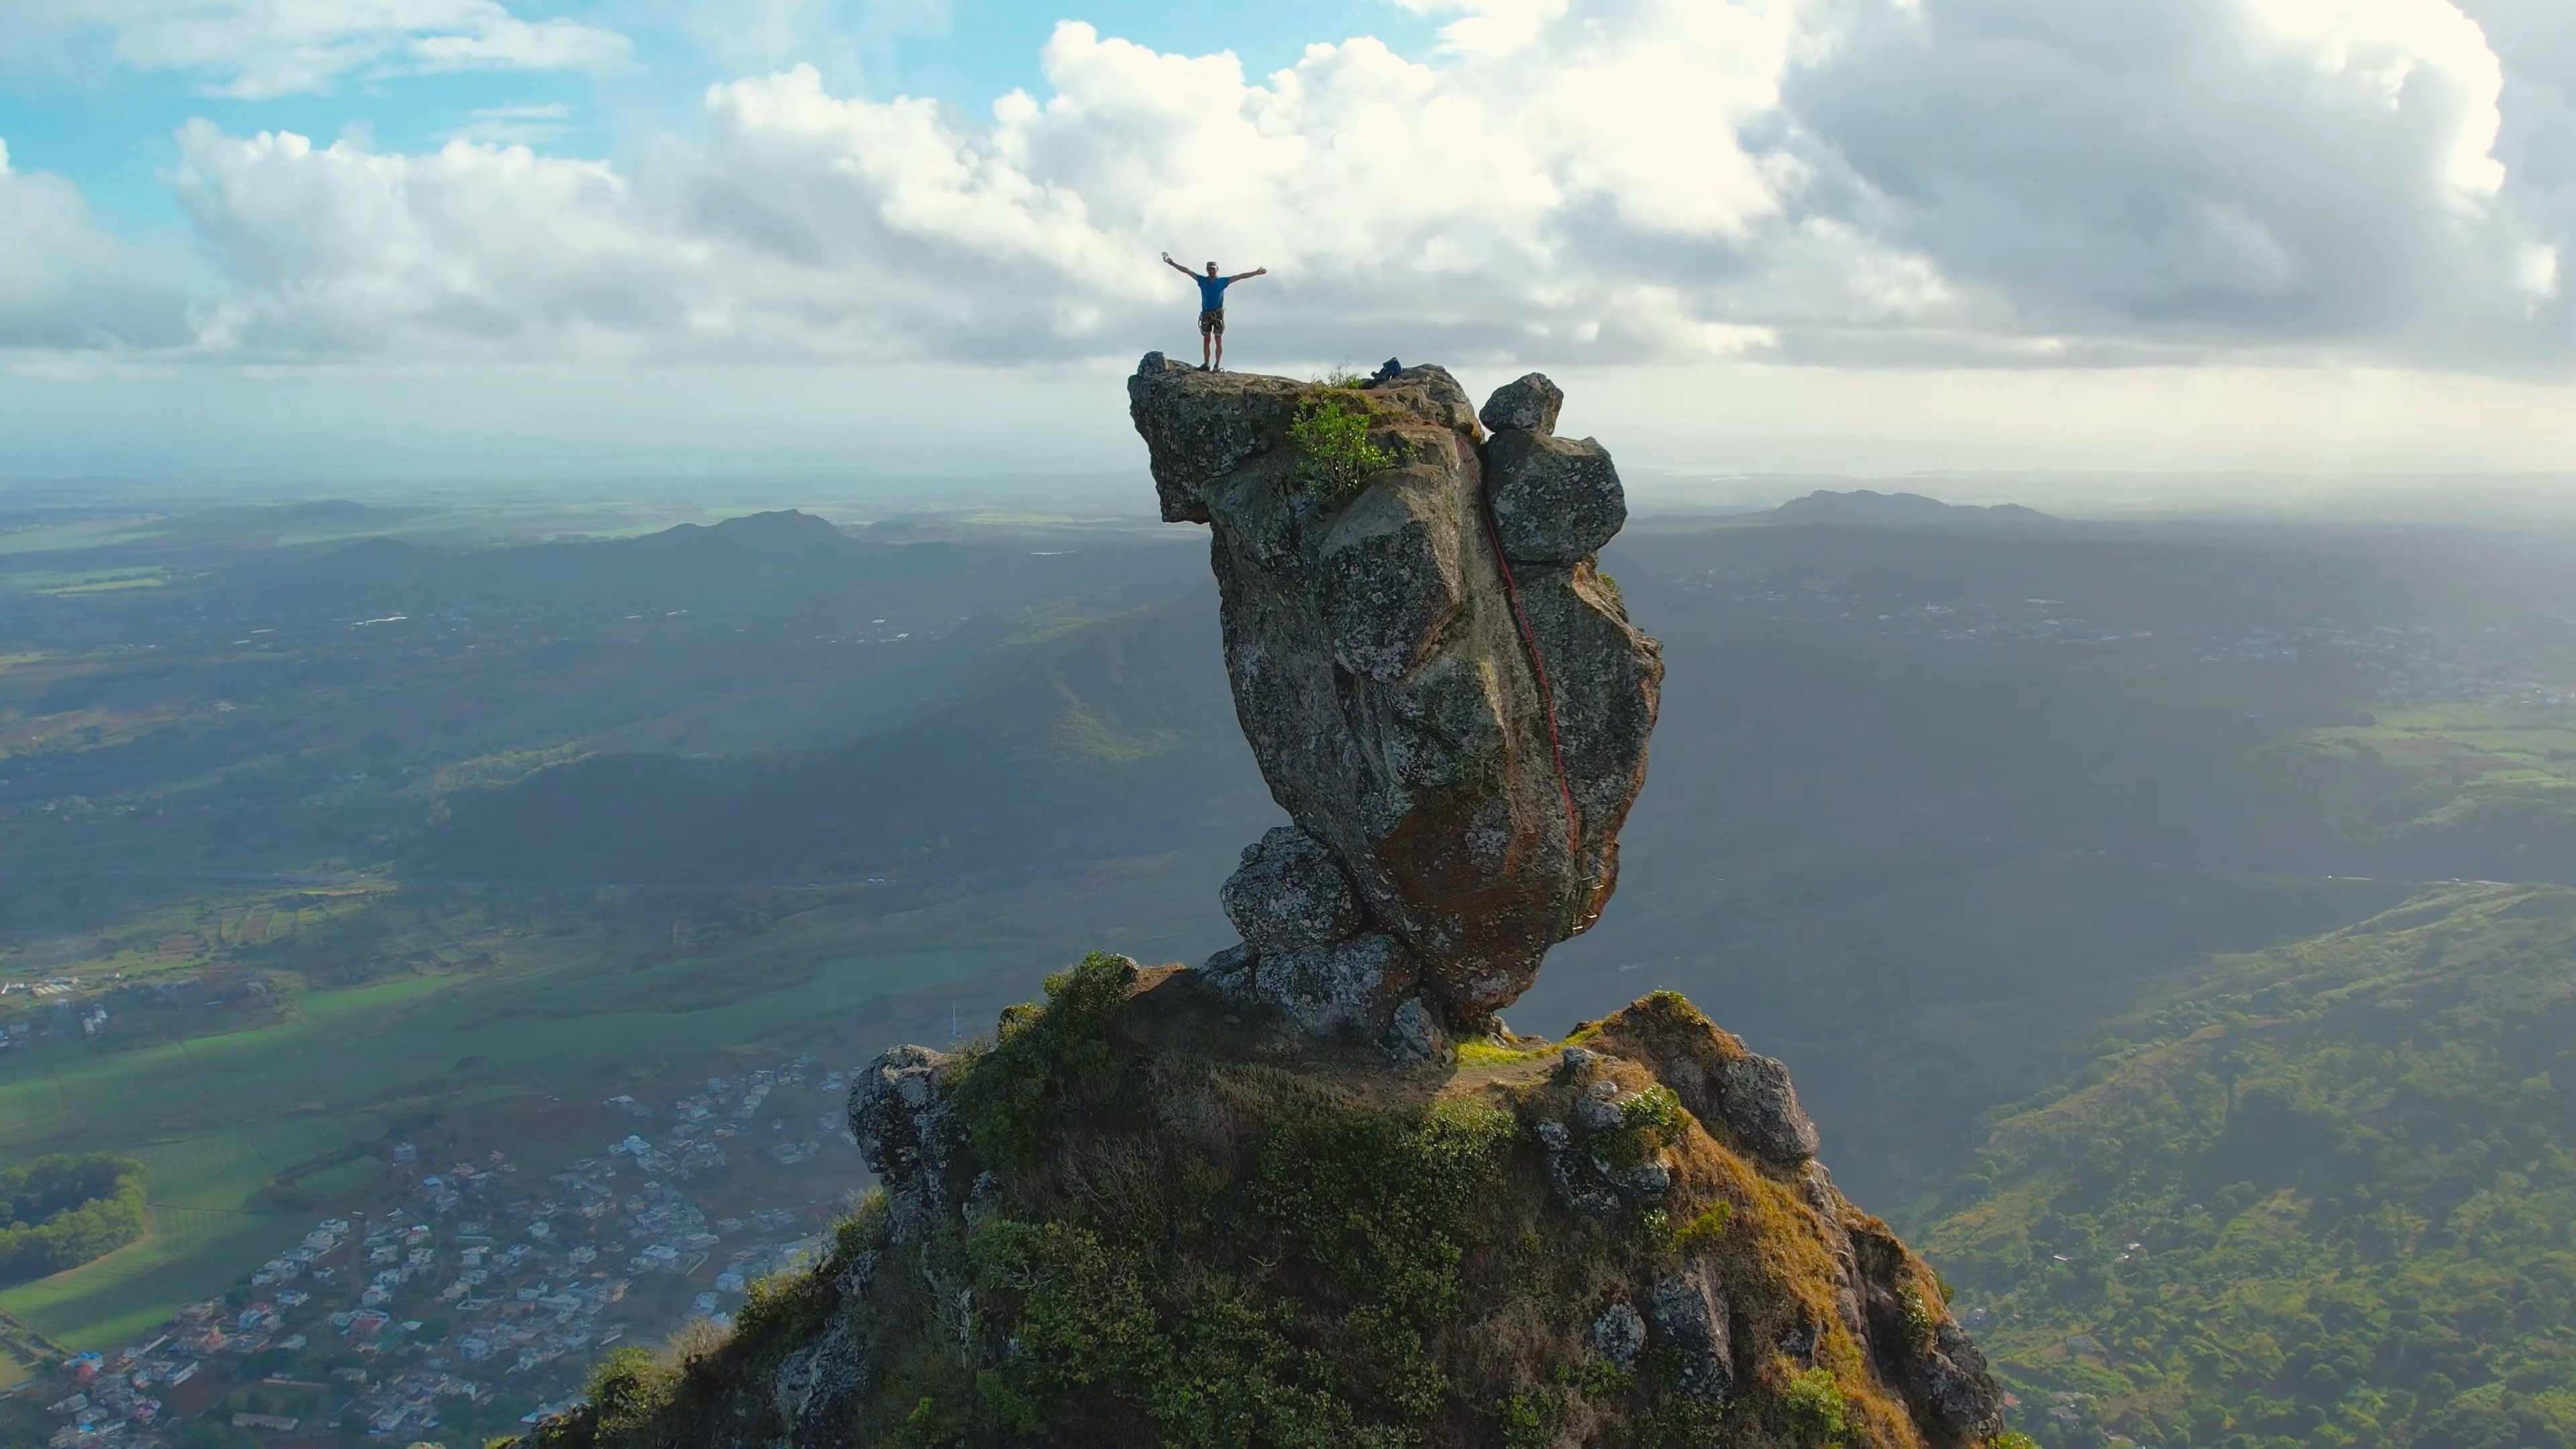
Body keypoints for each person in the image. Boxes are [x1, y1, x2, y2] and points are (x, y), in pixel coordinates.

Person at [1162, 252, 1267, 371]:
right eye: (1209, 269)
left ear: (1217, 270)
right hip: (1206, 314)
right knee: (1206, 339)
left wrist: (1256, 273)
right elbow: (1186, 271)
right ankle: (1206, 364)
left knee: (1218, 339)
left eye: (1213, 269)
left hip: (1217, 314)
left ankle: (1216, 365)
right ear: (1207, 270)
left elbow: (1241, 276)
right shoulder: (1202, 281)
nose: (1211, 271)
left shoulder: (1223, 281)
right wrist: (1172, 263)